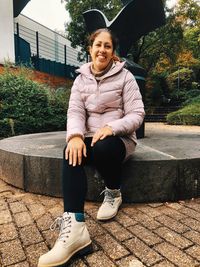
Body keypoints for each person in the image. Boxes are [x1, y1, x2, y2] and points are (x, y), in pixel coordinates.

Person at [38, 28, 145, 267]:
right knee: (71, 152)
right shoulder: (80, 79)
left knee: (103, 148)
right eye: (98, 45)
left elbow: (137, 114)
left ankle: (114, 193)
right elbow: (75, 111)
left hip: (118, 139)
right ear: (90, 49)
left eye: (107, 46)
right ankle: (75, 229)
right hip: (88, 136)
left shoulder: (125, 77)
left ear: (112, 52)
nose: (102, 50)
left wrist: (113, 127)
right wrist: (75, 136)